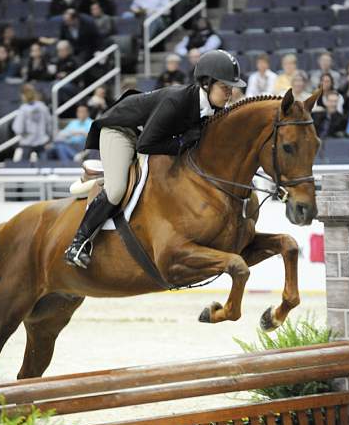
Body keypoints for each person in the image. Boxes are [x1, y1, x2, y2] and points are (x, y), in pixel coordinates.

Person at [64, 49, 246, 268]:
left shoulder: (213, 109)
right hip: (121, 132)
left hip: (145, 134)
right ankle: (78, 243)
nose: (230, 93)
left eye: (231, 88)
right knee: (117, 189)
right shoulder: (177, 101)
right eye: (225, 87)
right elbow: (146, 145)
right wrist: (181, 143)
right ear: (207, 84)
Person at [12, 84, 52, 161]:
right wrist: (48, 136)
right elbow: (49, 123)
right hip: (41, 141)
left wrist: (23, 134)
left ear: (23, 95)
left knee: (24, 167)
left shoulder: (23, 109)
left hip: (27, 142)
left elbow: (18, 128)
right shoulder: (42, 106)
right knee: (45, 166)